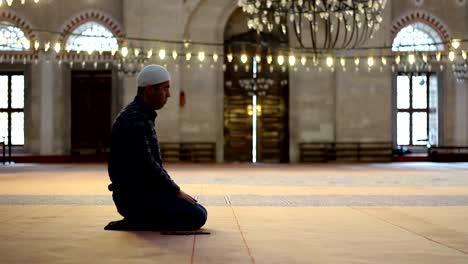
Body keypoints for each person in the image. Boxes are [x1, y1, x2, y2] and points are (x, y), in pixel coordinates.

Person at [106, 64, 207, 231]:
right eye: (165, 88)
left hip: (144, 192)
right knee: (198, 215)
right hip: (134, 198)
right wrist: (176, 191)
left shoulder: (141, 115)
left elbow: (153, 166)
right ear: (150, 90)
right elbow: (147, 165)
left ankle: (139, 219)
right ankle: (136, 220)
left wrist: (172, 192)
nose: (169, 94)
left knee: (199, 210)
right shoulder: (134, 119)